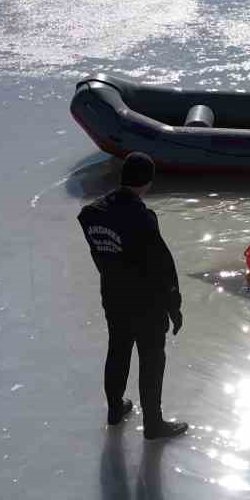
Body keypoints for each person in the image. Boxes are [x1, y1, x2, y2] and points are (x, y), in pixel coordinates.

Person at [77, 152, 189, 440]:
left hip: (113, 296)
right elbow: (164, 268)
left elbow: (99, 255)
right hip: (146, 303)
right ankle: (153, 424)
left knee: (118, 350)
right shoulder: (142, 217)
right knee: (151, 360)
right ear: (148, 182)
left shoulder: (92, 214)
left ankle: (115, 409)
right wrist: (173, 307)